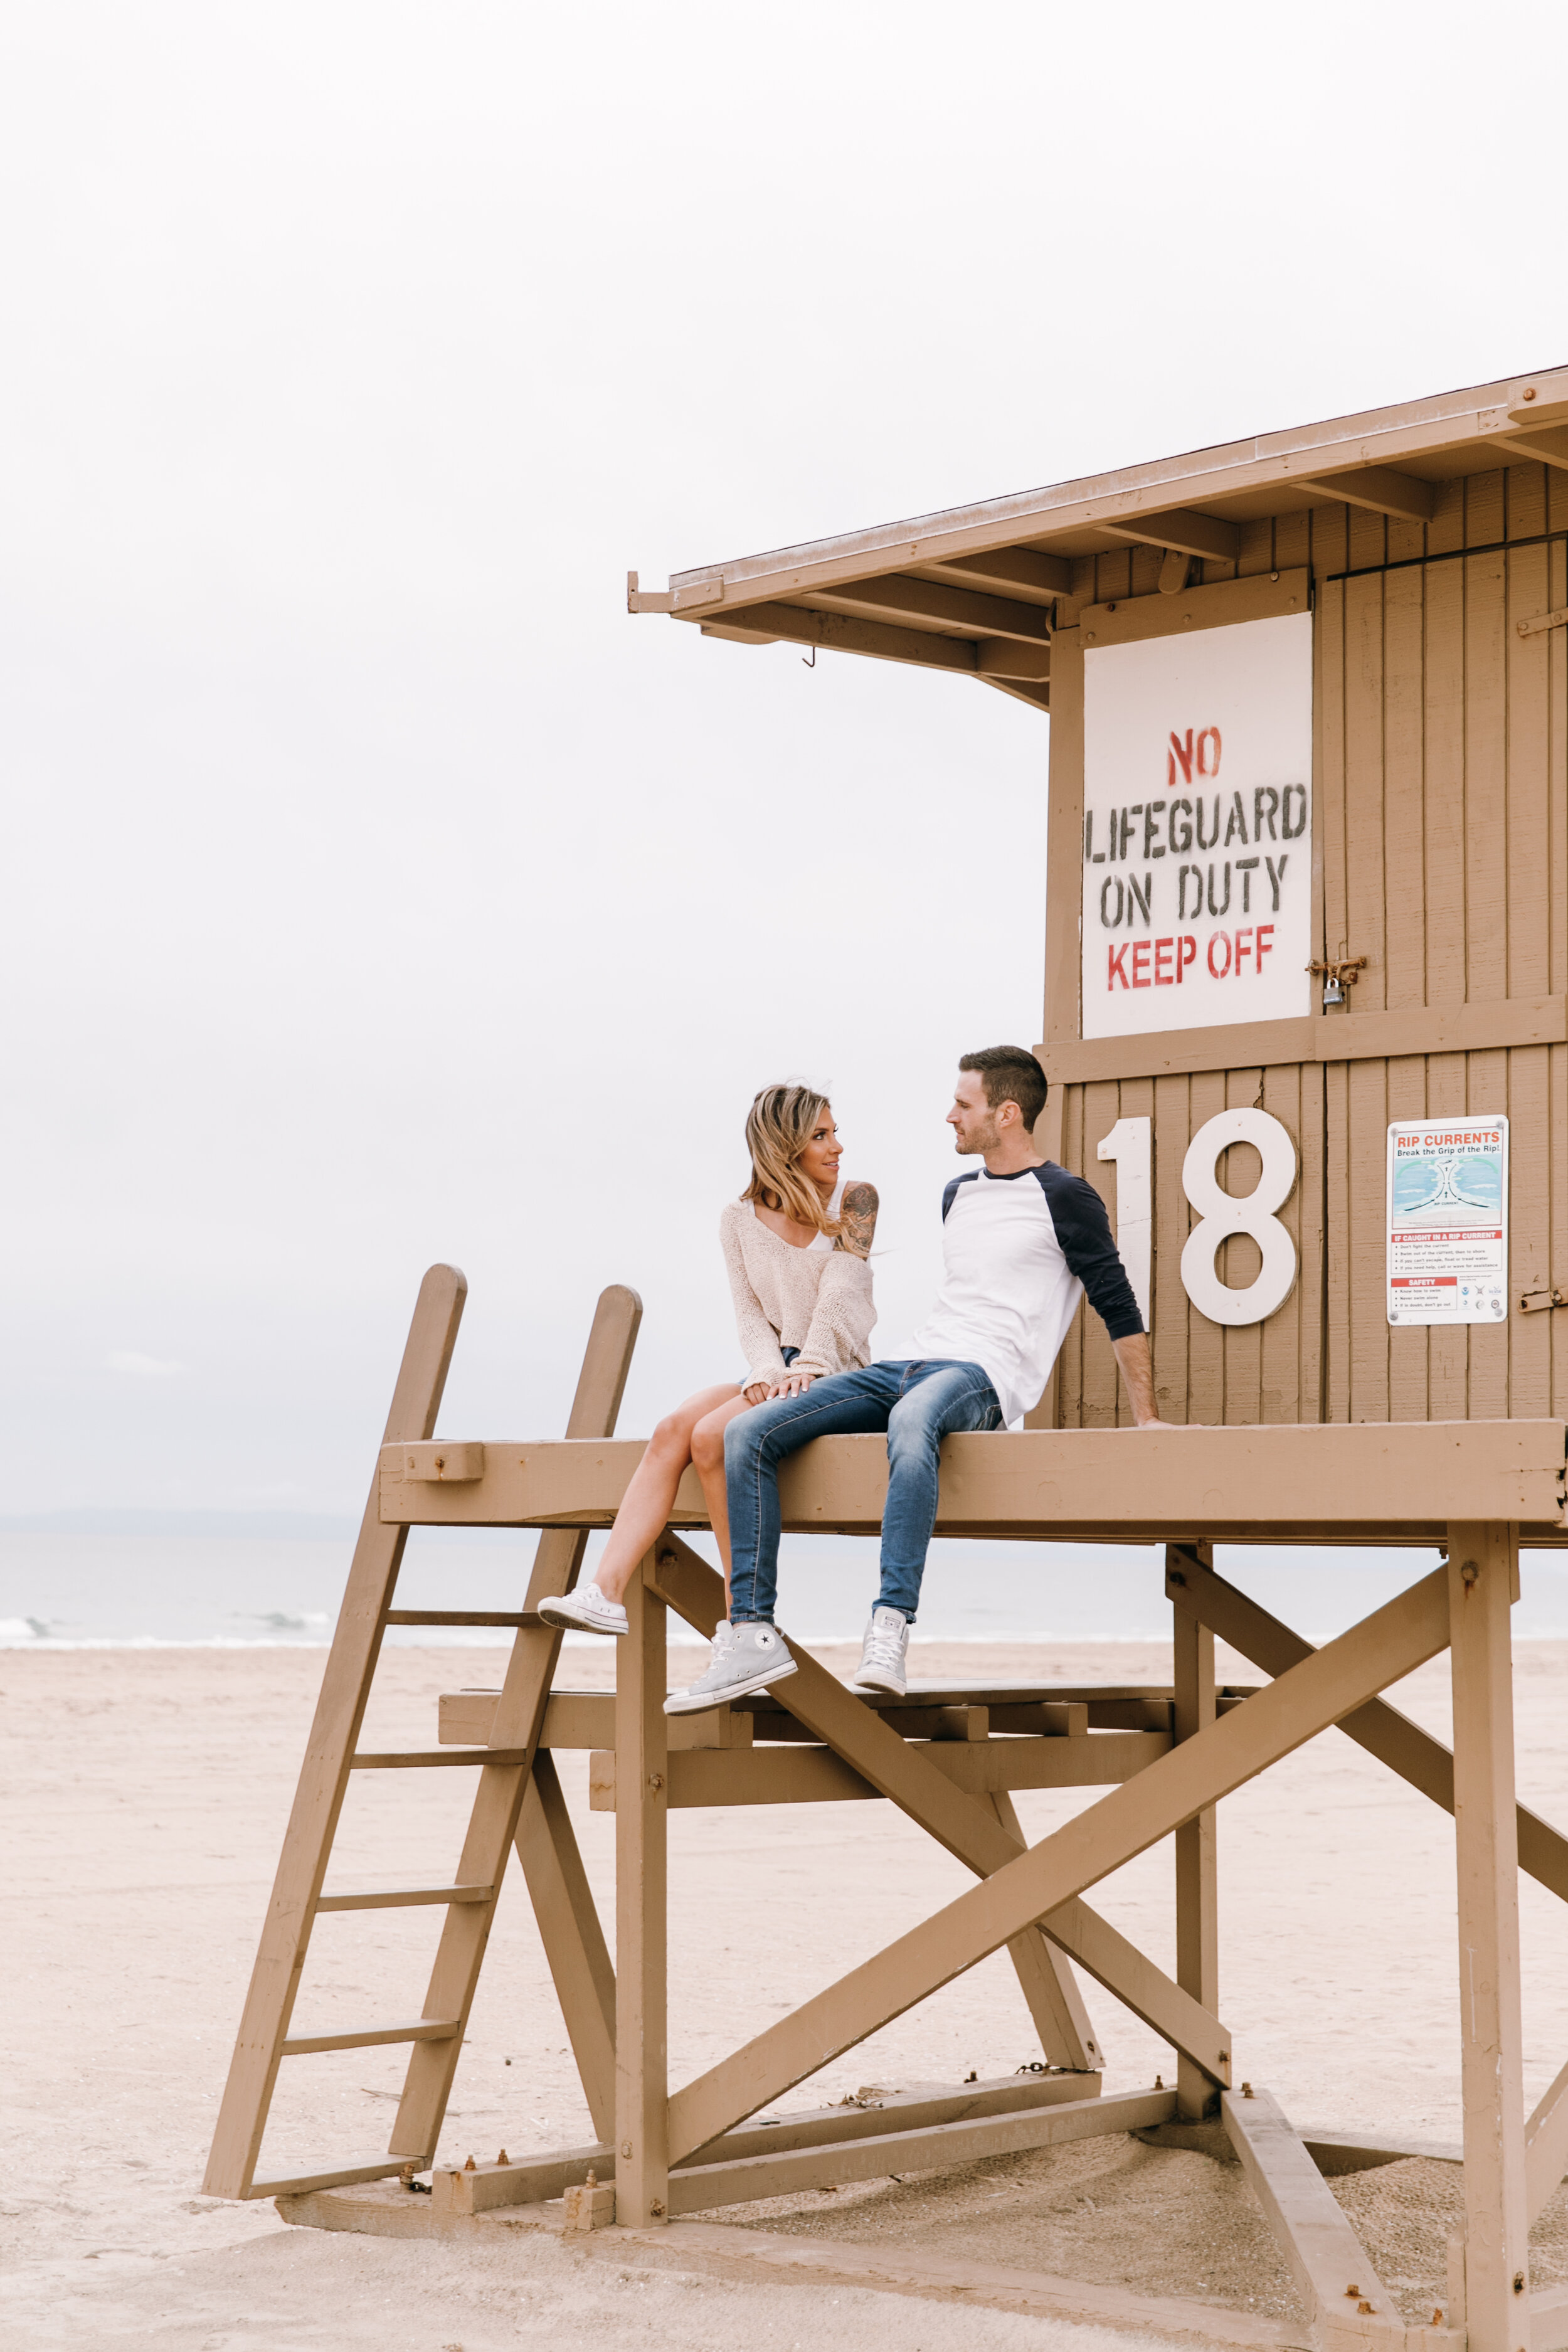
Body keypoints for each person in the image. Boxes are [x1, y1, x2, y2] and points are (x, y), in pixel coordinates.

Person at [665, 1046, 1167, 1715]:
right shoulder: (957, 1195)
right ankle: (753, 1629)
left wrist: (1147, 1419)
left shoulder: (1066, 1197)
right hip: (910, 1359)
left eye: (963, 1105)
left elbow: (1117, 1304)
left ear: (1006, 1113)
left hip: (981, 1377)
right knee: (749, 1431)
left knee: (911, 1424)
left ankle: (890, 1625)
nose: (949, 1116)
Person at [537, 1084, 878, 1638]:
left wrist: (806, 1367)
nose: (837, 1146)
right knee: (673, 1428)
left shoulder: (855, 1199)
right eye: (820, 1135)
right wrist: (768, 1372)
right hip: (775, 1366)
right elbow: (748, 1315)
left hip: (836, 1366)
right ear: (782, 1145)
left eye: (834, 1132)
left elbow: (840, 1297)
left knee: (711, 1435)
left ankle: (743, 1613)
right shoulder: (738, 1219)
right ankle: (604, 1592)